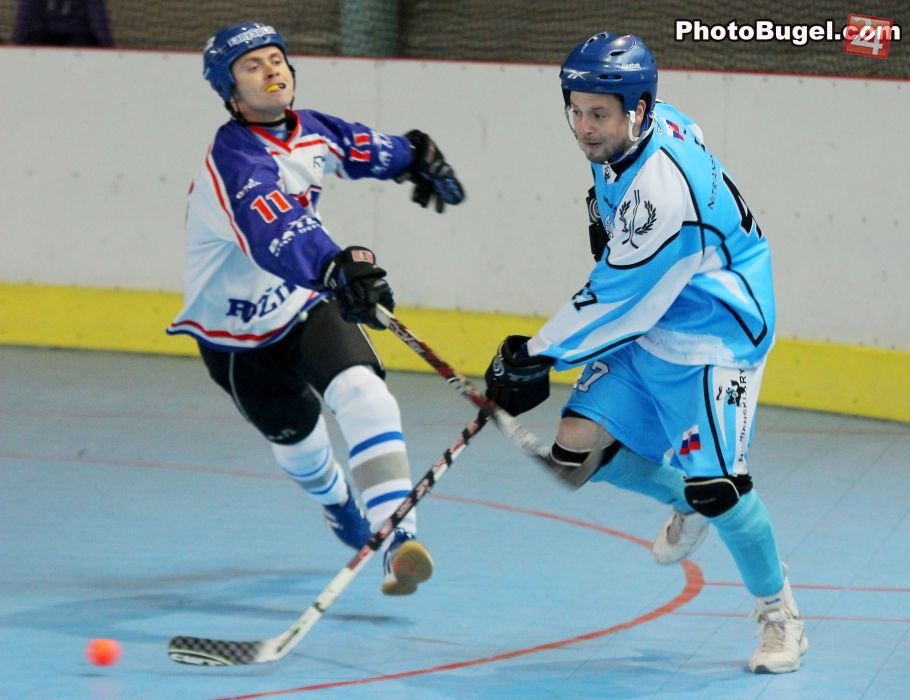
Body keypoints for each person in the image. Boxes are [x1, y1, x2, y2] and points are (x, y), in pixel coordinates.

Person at [484, 32, 807, 673]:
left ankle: (780, 616)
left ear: (637, 109)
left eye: (597, 114)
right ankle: (681, 498)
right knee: (575, 453)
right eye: (575, 110)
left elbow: (618, 298)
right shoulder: (649, 126)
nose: (584, 127)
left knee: (721, 490)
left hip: (715, 335)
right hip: (658, 316)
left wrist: (534, 356)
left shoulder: (662, 190)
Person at [167, 21, 465, 596]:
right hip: (237, 339)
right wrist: (333, 264)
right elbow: (274, 229)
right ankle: (338, 506)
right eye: (252, 65)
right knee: (302, 450)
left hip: (305, 306)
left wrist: (415, 156)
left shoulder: (312, 130)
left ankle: (398, 540)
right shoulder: (233, 162)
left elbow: (363, 147)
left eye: (276, 58)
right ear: (229, 90)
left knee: (366, 395)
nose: (270, 70)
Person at [13, 0, 113, 47]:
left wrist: (17, 42)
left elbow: (26, 12)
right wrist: (107, 46)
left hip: (44, 35)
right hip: (78, 35)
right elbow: (96, 14)